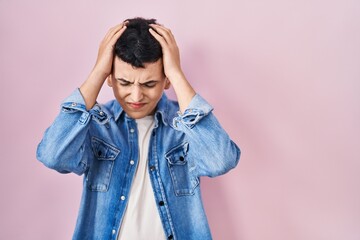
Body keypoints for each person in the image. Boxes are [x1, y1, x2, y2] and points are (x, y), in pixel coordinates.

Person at [36, 17, 240, 240]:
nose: (136, 96)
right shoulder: (97, 127)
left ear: (166, 80)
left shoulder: (184, 130)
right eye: (124, 82)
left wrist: (177, 74)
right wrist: (97, 72)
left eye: (149, 84)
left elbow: (221, 160)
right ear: (110, 78)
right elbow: (52, 155)